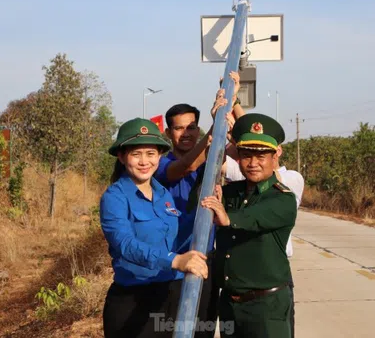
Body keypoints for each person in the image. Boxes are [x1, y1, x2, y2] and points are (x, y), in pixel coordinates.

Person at [100, 118, 209, 338]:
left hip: (168, 296)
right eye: (136, 154)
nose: (144, 161)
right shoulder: (114, 197)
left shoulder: (163, 194)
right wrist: (175, 260)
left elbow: (176, 234)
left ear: (159, 156)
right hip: (132, 300)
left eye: (150, 154)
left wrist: (210, 212)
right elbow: (125, 244)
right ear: (121, 157)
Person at [154, 75, 241, 337]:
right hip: (172, 263)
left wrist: (232, 102)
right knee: (169, 330)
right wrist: (216, 127)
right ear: (169, 133)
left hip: (205, 260)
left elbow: (245, 145)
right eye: (179, 128)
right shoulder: (159, 164)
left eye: (192, 127)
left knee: (202, 329)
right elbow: (187, 165)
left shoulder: (212, 159)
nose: (187, 134)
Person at [201, 113, 298, 338]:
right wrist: (216, 145)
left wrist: (226, 217)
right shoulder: (232, 192)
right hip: (230, 306)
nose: (253, 163)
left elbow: (251, 217)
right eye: (245, 155)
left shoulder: (282, 198)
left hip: (266, 307)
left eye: (261, 156)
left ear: (276, 155)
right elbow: (202, 195)